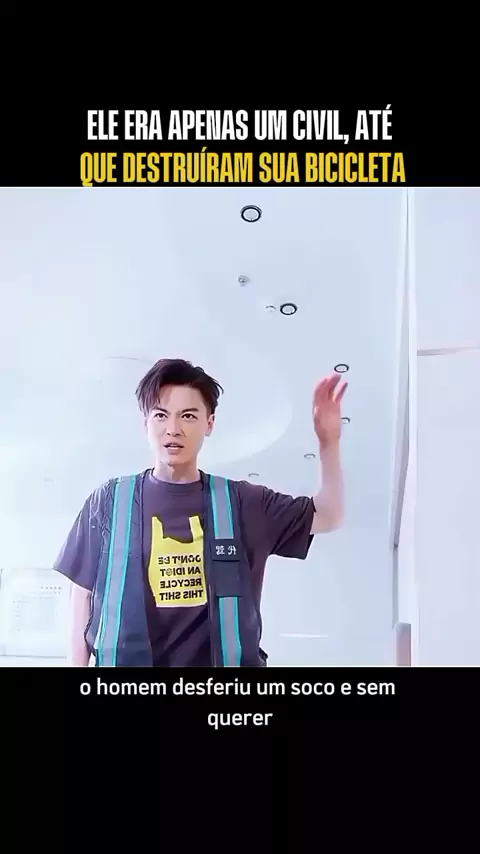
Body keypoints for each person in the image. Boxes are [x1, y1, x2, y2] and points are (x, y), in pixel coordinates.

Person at [53, 358, 347, 667]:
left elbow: (329, 515)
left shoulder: (245, 503)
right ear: (146, 423)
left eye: (188, 416)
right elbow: (81, 594)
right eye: (161, 415)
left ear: (209, 423)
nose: (173, 429)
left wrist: (329, 443)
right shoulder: (108, 502)